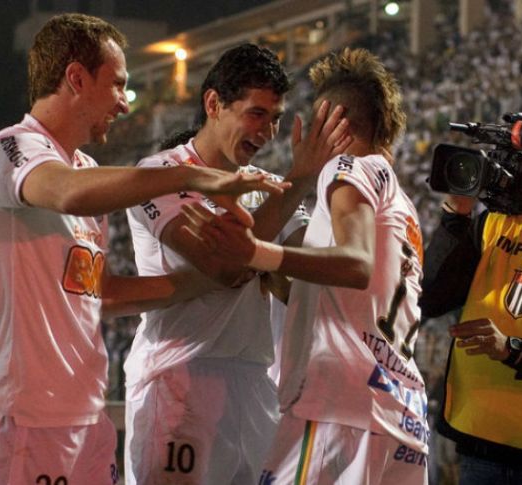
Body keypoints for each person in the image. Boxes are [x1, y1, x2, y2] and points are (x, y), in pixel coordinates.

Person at [0, 14, 288, 485]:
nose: (125, 104)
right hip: (20, 411)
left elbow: (105, 295)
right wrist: (189, 173)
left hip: (84, 411)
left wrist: (214, 277)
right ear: (75, 78)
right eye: (117, 85)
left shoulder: (89, 168)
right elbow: (65, 191)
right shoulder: (12, 148)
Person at [183, 47, 429, 484]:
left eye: (316, 122)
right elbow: (341, 289)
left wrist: (255, 253)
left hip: (339, 407)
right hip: (401, 415)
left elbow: (355, 265)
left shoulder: (346, 167)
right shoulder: (404, 208)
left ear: (334, 123)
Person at [123, 43, 351, 485]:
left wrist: (342, 192)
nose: (268, 132)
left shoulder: (264, 187)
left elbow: (307, 270)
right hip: (178, 378)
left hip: (253, 382)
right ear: (213, 104)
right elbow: (222, 265)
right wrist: (299, 180)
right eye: (257, 113)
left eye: (277, 118)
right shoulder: (161, 173)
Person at [419, 192, 522, 484]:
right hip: (479, 439)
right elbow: (431, 300)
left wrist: (512, 350)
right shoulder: (494, 223)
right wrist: (455, 218)